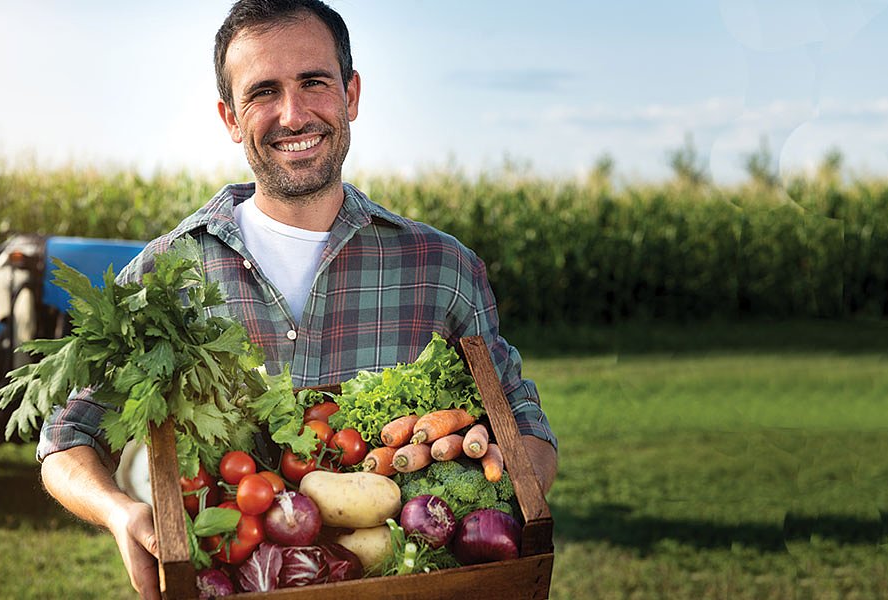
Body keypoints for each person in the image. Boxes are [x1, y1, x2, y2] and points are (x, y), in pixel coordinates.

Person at [36, 1, 558, 597]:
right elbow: (65, 437)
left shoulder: (443, 270)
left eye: (314, 82)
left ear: (351, 94)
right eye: (263, 92)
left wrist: (506, 485)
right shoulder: (163, 276)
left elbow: (527, 427)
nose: (293, 114)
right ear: (230, 117)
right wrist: (118, 512)